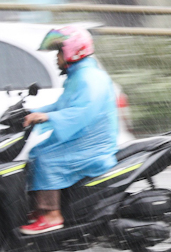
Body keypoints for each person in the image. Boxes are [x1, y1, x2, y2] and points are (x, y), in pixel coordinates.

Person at [19, 26, 118, 235]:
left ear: (73, 52)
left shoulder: (89, 78)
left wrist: (48, 117)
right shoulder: (79, 75)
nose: (56, 58)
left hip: (92, 143)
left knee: (47, 159)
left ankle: (52, 215)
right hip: (82, 136)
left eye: (59, 52)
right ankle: (41, 208)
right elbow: (62, 105)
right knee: (37, 152)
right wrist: (33, 112)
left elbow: (82, 112)